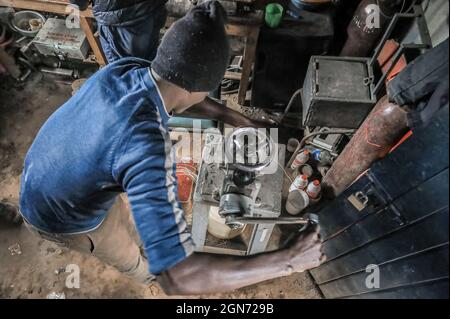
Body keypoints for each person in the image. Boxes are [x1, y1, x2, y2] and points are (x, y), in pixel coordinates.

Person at [20, 1, 324, 295]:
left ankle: (146, 239)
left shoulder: (127, 69)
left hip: (47, 170)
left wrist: (236, 117)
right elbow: (181, 279)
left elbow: (184, 87)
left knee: (125, 217)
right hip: (57, 214)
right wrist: (288, 260)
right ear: (198, 87)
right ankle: (145, 274)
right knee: (124, 252)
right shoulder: (145, 146)